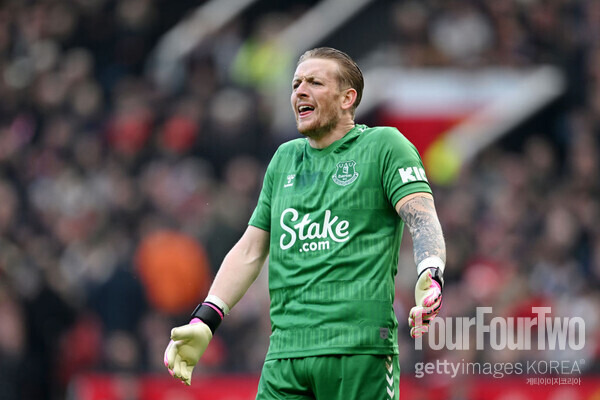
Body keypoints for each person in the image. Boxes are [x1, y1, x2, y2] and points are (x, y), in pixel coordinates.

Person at [164, 47, 446, 400]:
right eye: (296, 83)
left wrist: (430, 271)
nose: (299, 91)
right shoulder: (284, 159)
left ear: (348, 98)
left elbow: (422, 216)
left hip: (358, 350)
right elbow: (251, 249)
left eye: (314, 82)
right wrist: (206, 318)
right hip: (285, 356)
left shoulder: (384, 145)